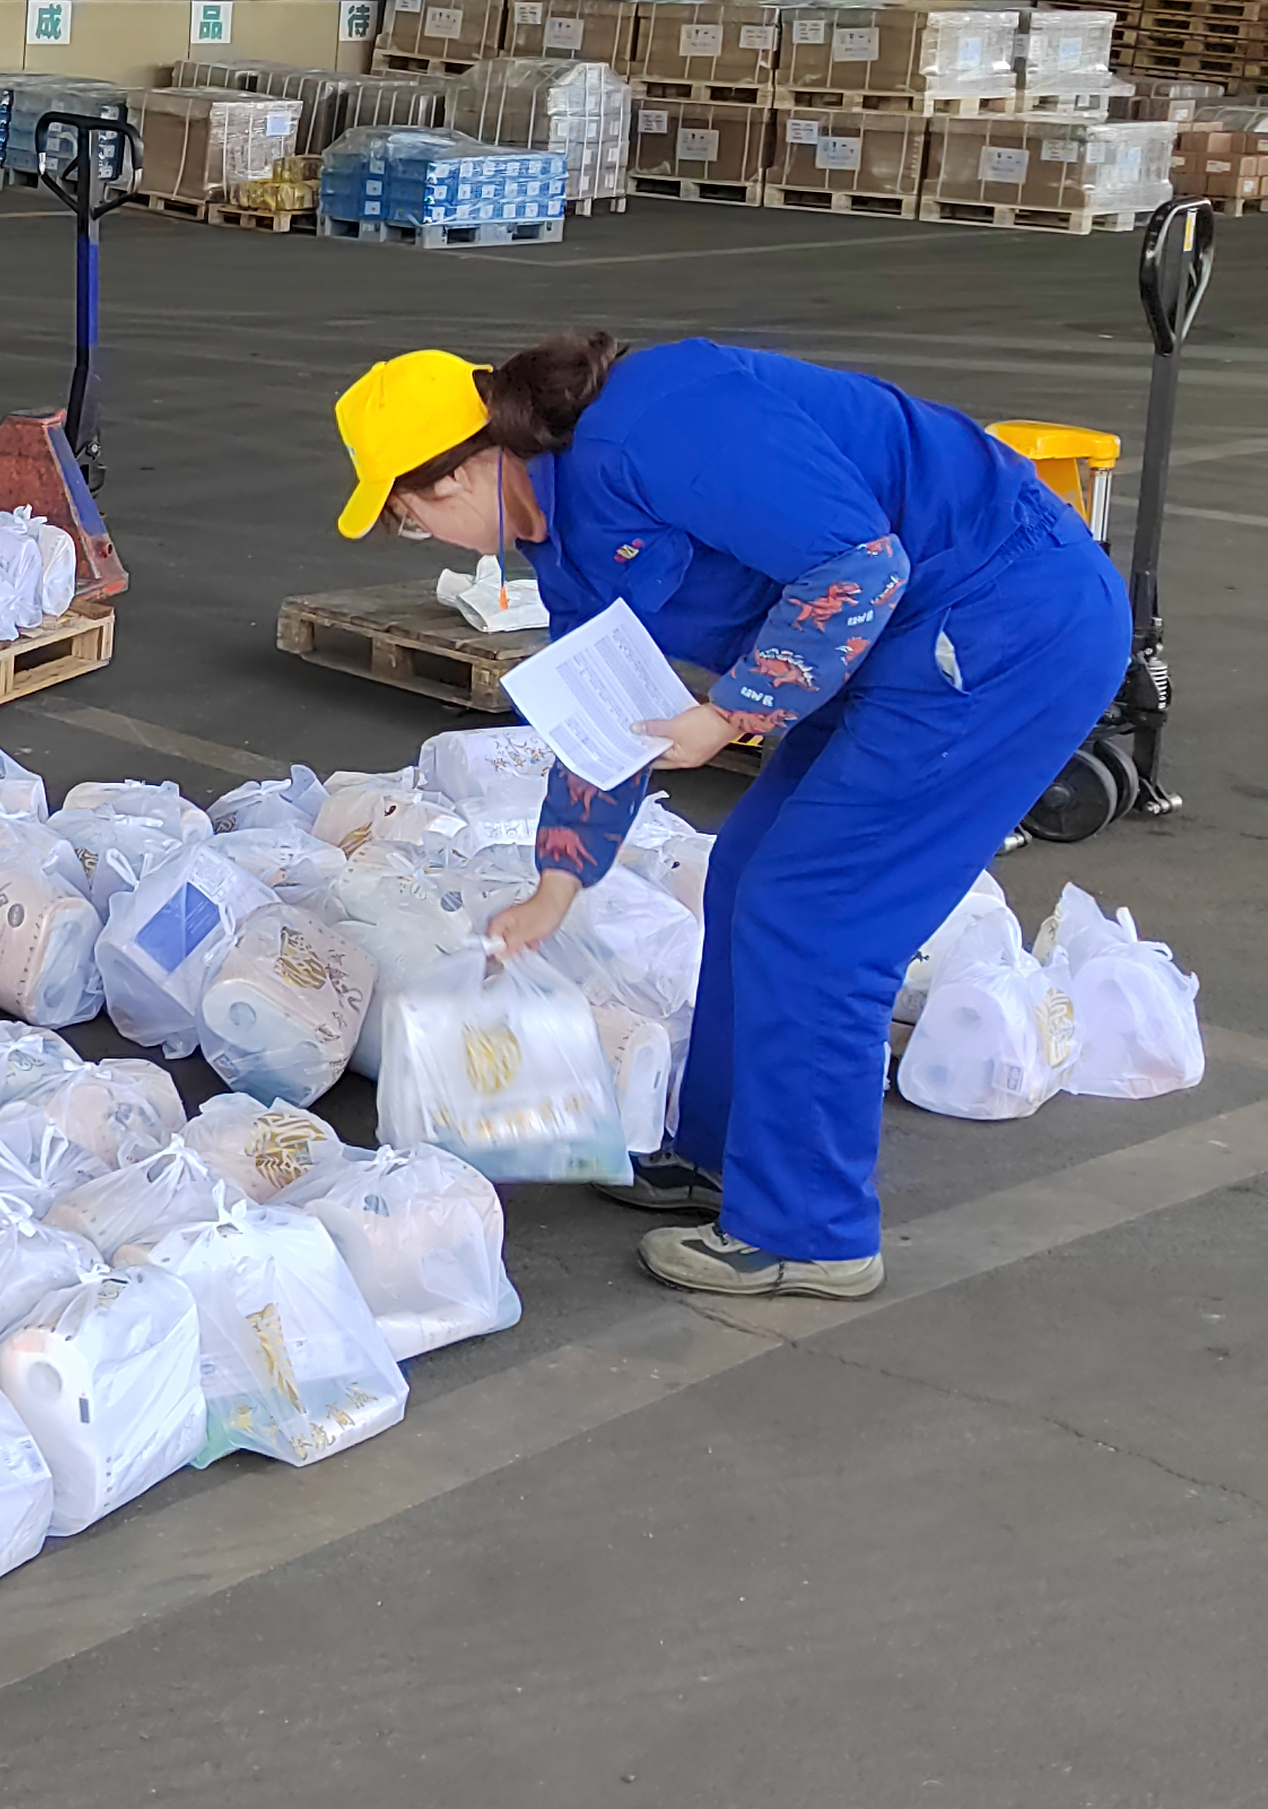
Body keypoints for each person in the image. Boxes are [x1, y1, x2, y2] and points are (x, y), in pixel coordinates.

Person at [333, 333, 1131, 1300]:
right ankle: (721, 1157)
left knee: (818, 915)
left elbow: (860, 563)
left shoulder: (657, 419)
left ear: (457, 475)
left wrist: (730, 713)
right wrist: (557, 883)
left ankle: (810, 1232)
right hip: (897, 644)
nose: (424, 538)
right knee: (749, 870)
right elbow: (610, 716)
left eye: (410, 519)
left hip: (1002, 621)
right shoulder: (564, 546)